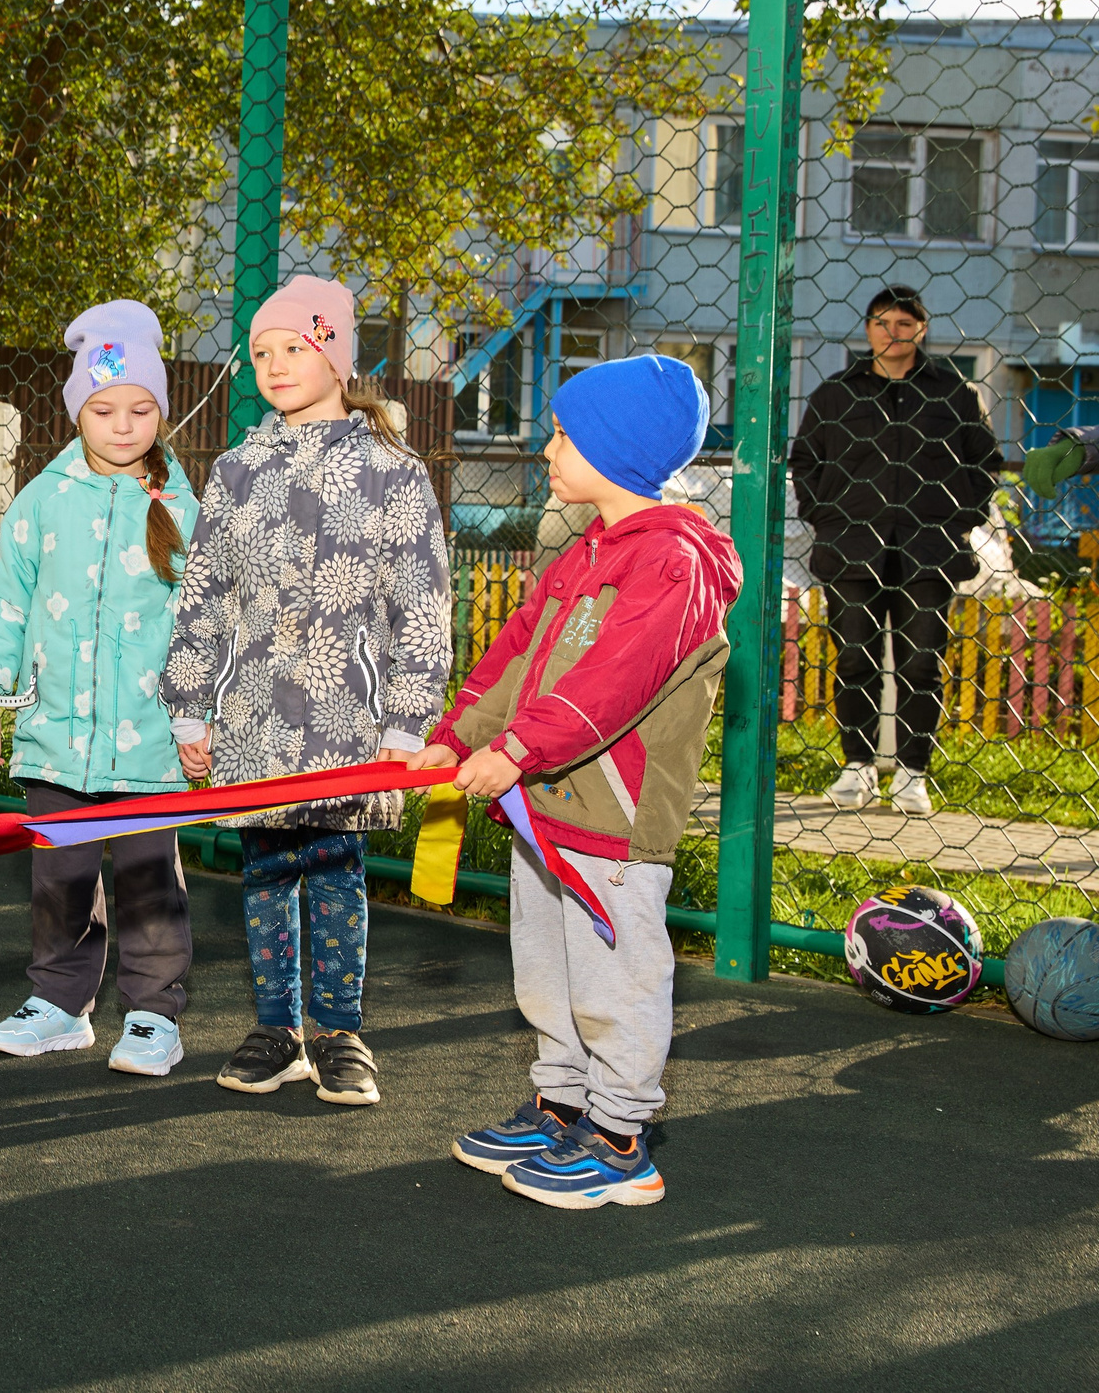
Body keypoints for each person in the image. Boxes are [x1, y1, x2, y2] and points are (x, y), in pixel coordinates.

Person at [419, 355, 739, 1209]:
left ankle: (621, 1137)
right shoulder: (585, 551)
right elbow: (517, 653)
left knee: (614, 977)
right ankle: (563, 1101)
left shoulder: (673, 561)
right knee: (548, 968)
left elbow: (613, 680)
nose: (549, 451)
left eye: (564, 435)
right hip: (547, 807)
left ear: (619, 449)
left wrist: (519, 749)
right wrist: (458, 739)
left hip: (612, 814)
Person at [160, 276, 451, 1107]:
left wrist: (406, 721)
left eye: (296, 347)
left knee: (333, 866)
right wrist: (191, 704)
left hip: (348, 722)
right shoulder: (237, 472)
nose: (277, 365)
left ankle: (338, 1029)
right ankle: (277, 1027)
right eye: (261, 352)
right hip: (253, 715)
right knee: (263, 867)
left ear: (336, 355)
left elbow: (422, 602)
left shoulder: (390, 471)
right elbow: (206, 591)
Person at [0, 302, 200, 1076]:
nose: (123, 425)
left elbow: (206, 621)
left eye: (140, 409)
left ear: (161, 411)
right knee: (59, 875)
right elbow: (2, 601)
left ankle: (153, 1014)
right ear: (77, 413)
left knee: (146, 878)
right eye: (103, 409)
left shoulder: (181, 508)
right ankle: (62, 1005)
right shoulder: (43, 500)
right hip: (56, 736)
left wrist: (201, 718)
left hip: (149, 743)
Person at [787, 286, 1001, 816]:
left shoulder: (955, 394)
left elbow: (985, 465)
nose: (892, 333)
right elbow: (805, 463)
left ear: (921, 330)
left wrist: (958, 521)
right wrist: (827, 518)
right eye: (882, 323)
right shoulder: (835, 395)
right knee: (854, 659)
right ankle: (856, 769)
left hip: (928, 553)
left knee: (922, 664)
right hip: (851, 551)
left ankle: (911, 774)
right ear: (867, 329)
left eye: (904, 324)